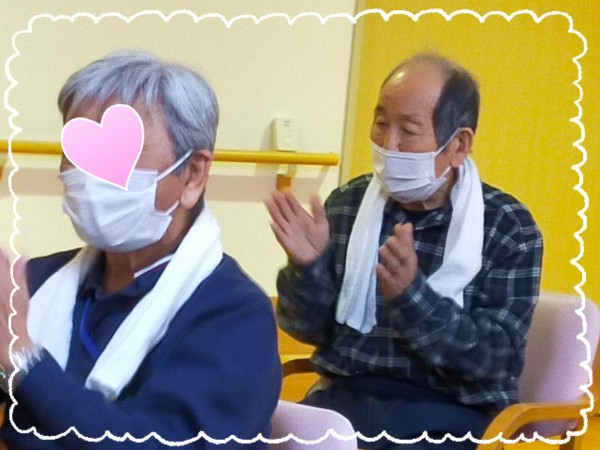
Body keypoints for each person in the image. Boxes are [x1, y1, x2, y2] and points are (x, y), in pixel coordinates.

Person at [0, 50, 281, 449]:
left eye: (120, 156)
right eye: (78, 154)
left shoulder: (234, 314)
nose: (90, 178)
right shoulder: (36, 281)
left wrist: (27, 364)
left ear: (193, 174)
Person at [267, 53, 543, 450]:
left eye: (408, 130)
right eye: (381, 124)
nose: (388, 144)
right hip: (343, 401)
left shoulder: (507, 226)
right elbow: (310, 330)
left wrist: (412, 297)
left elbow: (494, 359)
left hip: (447, 416)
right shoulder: (348, 204)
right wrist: (307, 268)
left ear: (459, 144)